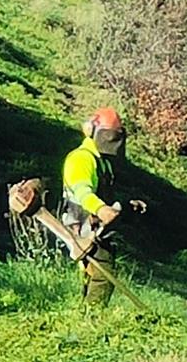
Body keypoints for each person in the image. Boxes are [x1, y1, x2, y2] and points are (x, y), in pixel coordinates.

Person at [61, 107, 143, 305]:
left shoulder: (102, 162)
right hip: (80, 228)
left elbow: (102, 195)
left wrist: (125, 206)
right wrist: (101, 210)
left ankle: (86, 313)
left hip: (97, 229)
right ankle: (92, 318)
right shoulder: (81, 159)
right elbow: (82, 193)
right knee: (103, 274)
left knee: (97, 274)